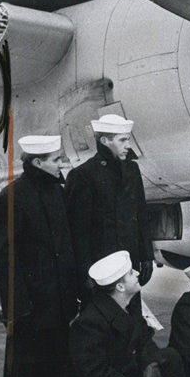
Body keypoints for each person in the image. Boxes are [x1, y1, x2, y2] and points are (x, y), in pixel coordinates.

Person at [0, 134, 80, 377]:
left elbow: (66, 247)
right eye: (56, 159)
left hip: (59, 301)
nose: (61, 164)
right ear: (38, 162)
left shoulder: (58, 192)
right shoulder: (11, 198)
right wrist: (18, 304)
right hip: (29, 305)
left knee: (55, 367)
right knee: (22, 372)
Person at [67, 251, 190, 377]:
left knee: (170, 358)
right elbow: (95, 374)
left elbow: (143, 339)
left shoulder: (128, 306)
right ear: (120, 286)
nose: (136, 273)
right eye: (131, 273)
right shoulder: (90, 321)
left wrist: (151, 363)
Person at [65, 114, 154, 310]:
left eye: (128, 139)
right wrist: (84, 275)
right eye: (122, 140)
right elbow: (78, 233)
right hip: (101, 271)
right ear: (105, 141)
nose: (128, 145)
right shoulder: (82, 176)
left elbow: (141, 215)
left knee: (133, 323)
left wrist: (147, 255)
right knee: (104, 328)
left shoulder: (132, 170)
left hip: (129, 267)